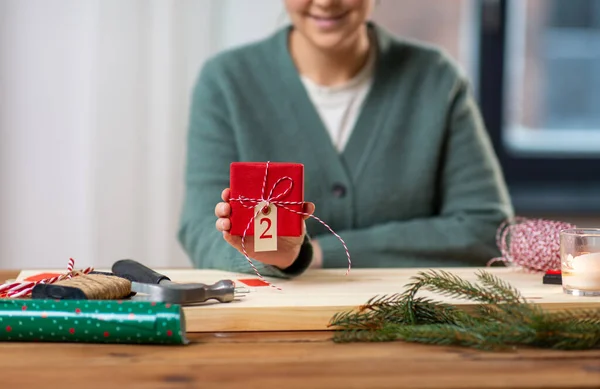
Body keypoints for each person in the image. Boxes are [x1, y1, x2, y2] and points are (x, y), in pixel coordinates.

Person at [177, 0, 514, 278]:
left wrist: (317, 253)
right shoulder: (225, 81)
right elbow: (202, 227)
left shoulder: (436, 79)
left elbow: (487, 230)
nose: (325, 2)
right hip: (275, 328)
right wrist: (274, 255)